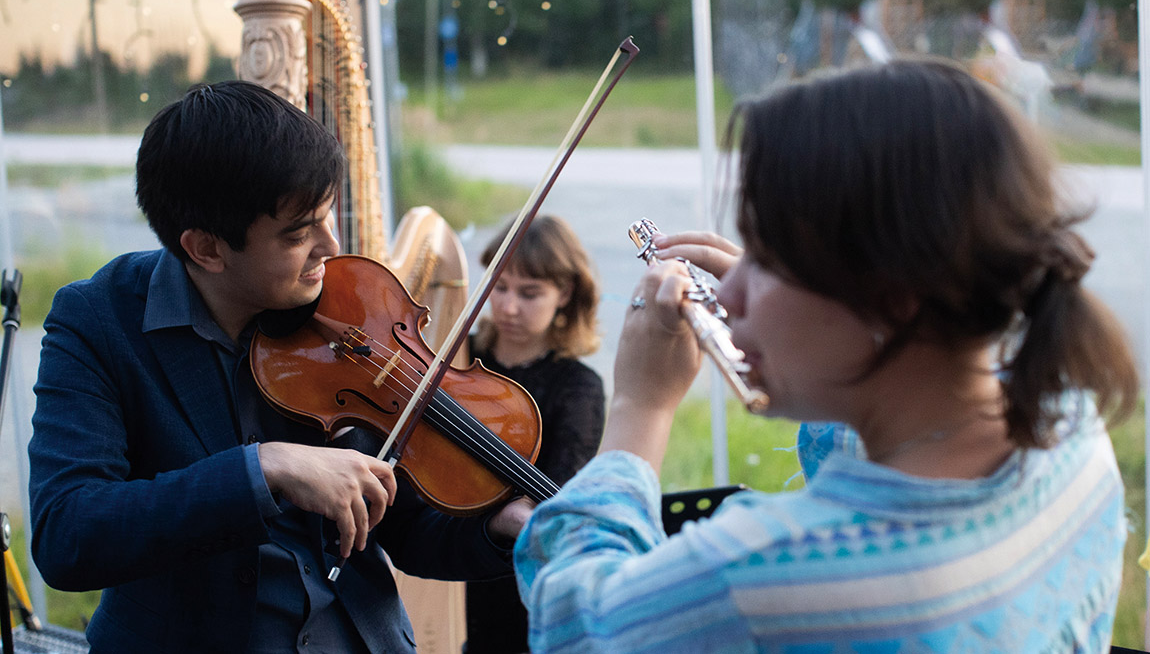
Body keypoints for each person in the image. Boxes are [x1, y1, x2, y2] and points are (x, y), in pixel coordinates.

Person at [514, 59, 1139, 652]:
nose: (728, 292)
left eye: (768, 259)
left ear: (891, 299)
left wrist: (638, 409)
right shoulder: (1073, 432)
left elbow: (575, 622)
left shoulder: (763, 576)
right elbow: (899, 425)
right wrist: (798, 319)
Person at [26, 81, 530, 653]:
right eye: (298, 234)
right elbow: (69, 534)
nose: (330, 245)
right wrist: (262, 470)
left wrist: (496, 526)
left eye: (326, 215)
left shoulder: (349, 319)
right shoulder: (97, 320)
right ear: (206, 249)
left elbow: (405, 526)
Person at [464, 215, 605, 653]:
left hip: (527, 569)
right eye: (500, 287)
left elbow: (557, 489)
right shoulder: (459, 357)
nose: (507, 307)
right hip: (452, 547)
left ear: (563, 293)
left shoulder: (578, 385)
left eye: (529, 294)